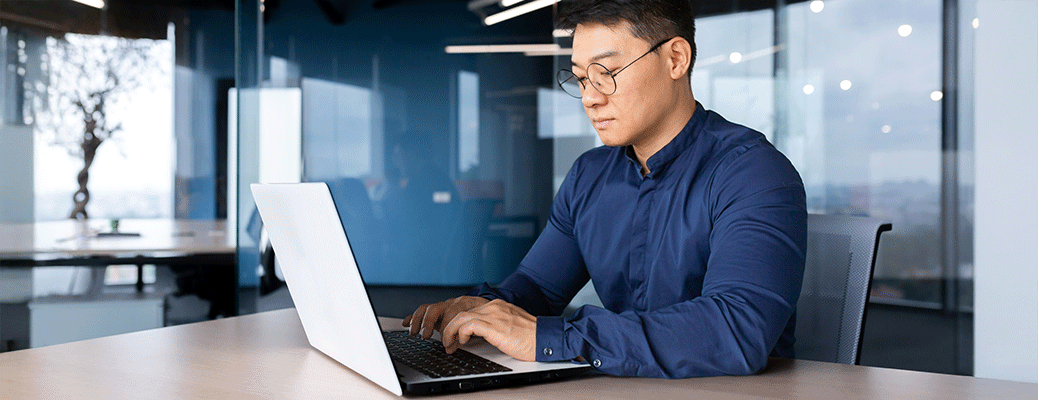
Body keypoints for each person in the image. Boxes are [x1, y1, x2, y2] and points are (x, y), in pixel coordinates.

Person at [403, 0, 807, 378]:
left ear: (675, 59)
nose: (589, 99)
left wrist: (551, 337)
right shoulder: (589, 175)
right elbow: (538, 288)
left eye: (606, 74)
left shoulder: (754, 173)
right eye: (580, 78)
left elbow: (735, 330)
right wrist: (484, 308)